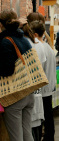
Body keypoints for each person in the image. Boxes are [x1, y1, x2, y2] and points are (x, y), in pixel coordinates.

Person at [0, 9, 34, 141]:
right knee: (27, 133)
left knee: (16, 137)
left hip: (15, 94)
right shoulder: (24, 39)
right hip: (28, 91)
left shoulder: (6, 41)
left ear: (2, 24)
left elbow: (8, 69)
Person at [19, 18, 46, 141]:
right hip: (37, 89)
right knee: (34, 126)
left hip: (26, 88)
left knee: (26, 127)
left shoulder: (23, 43)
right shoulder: (38, 43)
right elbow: (43, 64)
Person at [30, 21, 56, 141]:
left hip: (43, 89)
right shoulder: (48, 47)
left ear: (35, 34)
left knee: (42, 117)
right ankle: (49, 136)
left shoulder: (40, 49)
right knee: (48, 114)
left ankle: (47, 136)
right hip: (49, 86)